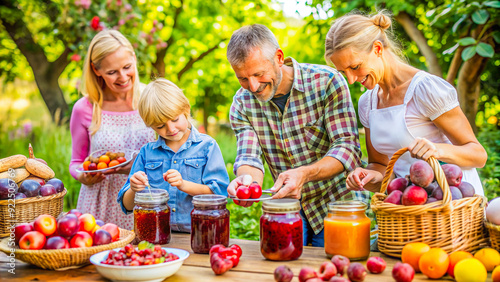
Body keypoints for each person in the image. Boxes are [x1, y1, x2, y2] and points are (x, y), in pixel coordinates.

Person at [226, 24, 368, 247]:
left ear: (279, 57)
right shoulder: (242, 103)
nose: (252, 86)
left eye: (258, 74)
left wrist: (304, 174)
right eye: (243, 78)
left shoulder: (327, 82)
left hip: (337, 205)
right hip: (287, 210)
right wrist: (247, 183)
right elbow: (249, 157)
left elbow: (347, 148)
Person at [324, 11, 487, 194]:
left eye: (355, 67)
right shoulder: (367, 103)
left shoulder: (425, 89)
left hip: (454, 203)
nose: (351, 79)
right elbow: (379, 165)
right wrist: (369, 176)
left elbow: (478, 155)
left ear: (377, 49)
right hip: (411, 208)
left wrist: (437, 150)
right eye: (344, 72)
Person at [69, 30, 157, 230]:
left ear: (134, 57)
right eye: (112, 72)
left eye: (127, 67)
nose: (123, 77)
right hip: (99, 204)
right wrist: (82, 176)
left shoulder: (151, 98)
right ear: (96, 70)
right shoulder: (85, 108)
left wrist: (140, 165)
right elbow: (75, 162)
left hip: (146, 200)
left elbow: (175, 146)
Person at [117, 78, 229, 233]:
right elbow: (127, 205)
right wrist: (134, 188)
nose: (170, 129)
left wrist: (184, 185)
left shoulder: (207, 147)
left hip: (200, 232)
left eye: (175, 119)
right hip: (158, 234)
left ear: (186, 110)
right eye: (160, 126)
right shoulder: (147, 153)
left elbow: (219, 194)